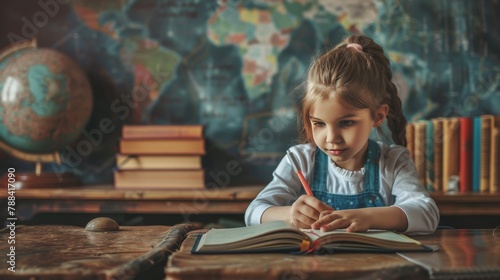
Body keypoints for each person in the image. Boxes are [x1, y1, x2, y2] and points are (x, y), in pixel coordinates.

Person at [245, 34, 439, 234]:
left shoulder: (394, 162)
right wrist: (290, 214)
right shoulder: (300, 160)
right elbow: (253, 213)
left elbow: (426, 214)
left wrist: (366, 217)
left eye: (346, 123)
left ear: (378, 116)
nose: (331, 138)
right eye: (319, 123)